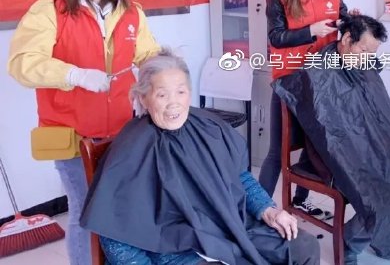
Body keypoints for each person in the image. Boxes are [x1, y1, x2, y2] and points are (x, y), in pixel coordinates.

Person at [80, 49, 320, 265]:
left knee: (303, 246)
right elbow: (113, 231)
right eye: (162, 95)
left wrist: (268, 210)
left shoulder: (208, 127)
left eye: (181, 92)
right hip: (176, 249)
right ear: (143, 98)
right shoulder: (131, 149)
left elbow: (239, 177)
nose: (174, 103)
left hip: (228, 226)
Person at [7, 0, 160, 265]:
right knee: (85, 209)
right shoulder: (49, 11)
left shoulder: (130, 12)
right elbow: (22, 64)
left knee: (120, 204)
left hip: (120, 131)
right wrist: (74, 75)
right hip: (71, 135)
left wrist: (160, 74)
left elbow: (149, 54)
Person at [273, 15, 390, 265]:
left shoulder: (362, 63)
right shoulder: (317, 73)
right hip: (336, 155)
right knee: (378, 194)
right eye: (364, 50)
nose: (367, 58)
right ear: (347, 39)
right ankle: (350, 241)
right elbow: (324, 128)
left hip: (368, 148)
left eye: (372, 53)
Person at [260, 0, 358, 218]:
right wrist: (310, 32)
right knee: (278, 150)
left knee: (314, 142)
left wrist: (349, 21)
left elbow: (342, 15)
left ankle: (300, 200)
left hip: (323, 78)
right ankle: (256, 209)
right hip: (290, 80)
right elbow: (276, 37)